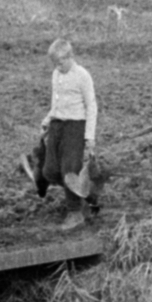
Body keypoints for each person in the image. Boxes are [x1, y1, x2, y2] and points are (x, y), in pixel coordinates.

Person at [26, 38, 99, 231]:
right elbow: (56, 104)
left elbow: (91, 106)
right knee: (49, 170)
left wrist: (89, 136)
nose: (58, 67)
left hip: (75, 127)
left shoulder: (82, 75)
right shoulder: (56, 74)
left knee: (69, 170)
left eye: (60, 63)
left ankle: (75, 212)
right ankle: (80, 191)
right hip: (57, 125)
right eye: (55, 64)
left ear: (70, 57)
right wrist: (48, 119)